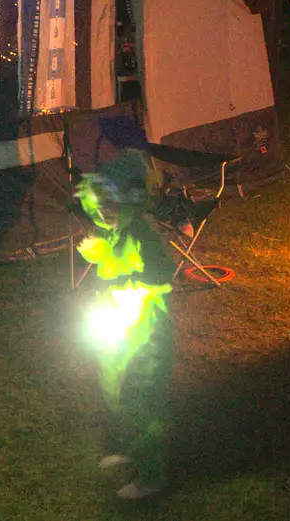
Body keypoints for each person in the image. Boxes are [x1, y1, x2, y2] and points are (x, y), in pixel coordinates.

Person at [76, 146, 175, 501]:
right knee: (113, 389)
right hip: (119, 326)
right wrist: (102, 254)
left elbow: (163, 272)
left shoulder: (143, 234)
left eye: (112, 205)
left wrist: (123, 279)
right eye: (100, 206)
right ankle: (129, 448)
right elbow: (115, 263)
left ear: (131, 200)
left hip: (146, 332)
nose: (104, 212)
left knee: (138, 398)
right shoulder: (116, 232)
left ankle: (152, 476)